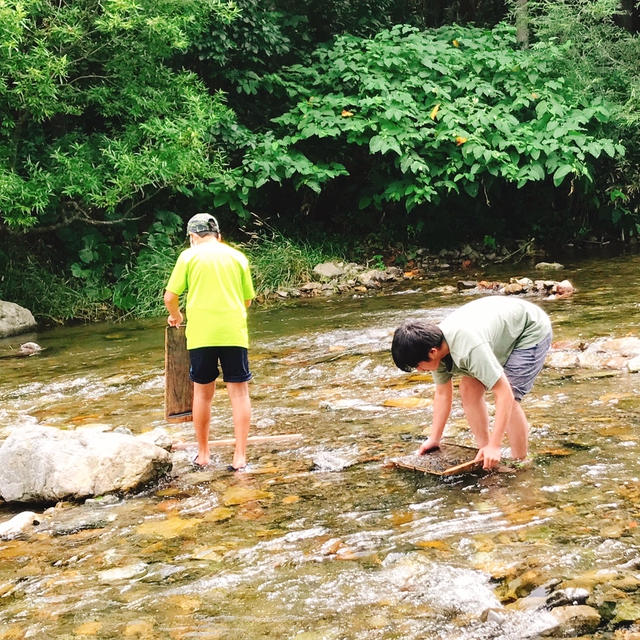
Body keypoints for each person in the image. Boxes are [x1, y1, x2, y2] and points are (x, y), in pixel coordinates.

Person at [391, 296, 552, 469]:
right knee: (468, 389)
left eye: (417, 365)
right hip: (497, 328)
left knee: (511, 398)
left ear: (432, 352)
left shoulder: (468, 348)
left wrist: (496, 445)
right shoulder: (433, 346)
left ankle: (520, 462)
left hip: (529, 330)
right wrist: (434, 438)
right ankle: (484, 450)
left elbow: (503, 392)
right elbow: (442, 394)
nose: (419, 370)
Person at [164, 213, 255, 471]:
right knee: (239, 393)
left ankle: (203, 454)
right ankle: (239, 457)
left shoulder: (188, 257)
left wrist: (176, 316)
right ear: (218, 236)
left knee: (203, 394)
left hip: (201, 335)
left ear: (193, 237)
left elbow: (170, 296)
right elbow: (247, 300)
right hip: (233, 332)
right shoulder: (237, 257)